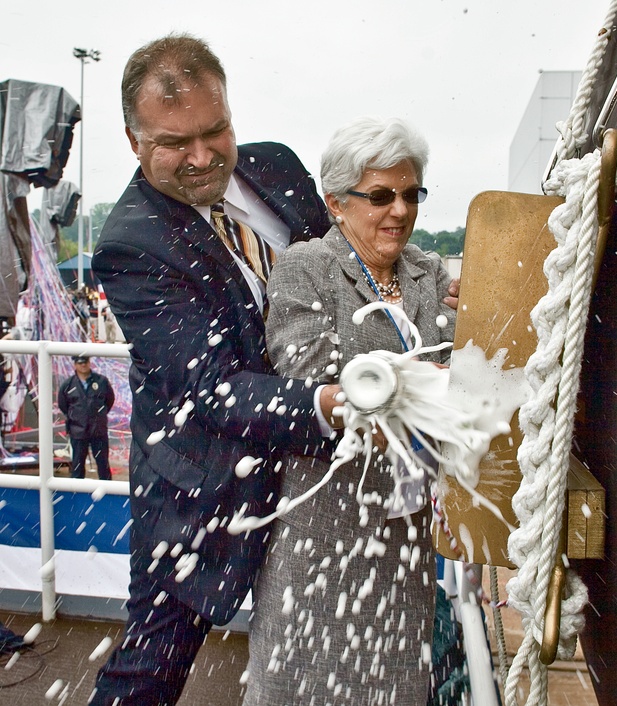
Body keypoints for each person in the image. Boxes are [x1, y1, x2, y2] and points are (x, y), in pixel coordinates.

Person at [89, 34, 342, 705]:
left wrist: (411, 286)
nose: (203, 158)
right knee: (148, 670)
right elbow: (212, 388)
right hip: (201, 488)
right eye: (176, 143)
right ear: (132, 139)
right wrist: (332, 407)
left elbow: (342, 269)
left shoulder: (278, 166)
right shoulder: (130, 244)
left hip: (314, 471)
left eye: (216, 130)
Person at [243, 116, 456, 704]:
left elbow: (465, 366)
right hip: (322, 538)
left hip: (405, 537)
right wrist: (426, 385)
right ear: (336, 202)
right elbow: (309, 375)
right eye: (381, 195)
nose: (400, 211)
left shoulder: (430, 271)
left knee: (396, 687)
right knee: (302, 684)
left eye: (412, 194)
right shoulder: (305, 267)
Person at [57, 355, 115, 480]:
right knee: (77, 466)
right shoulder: (68, 385)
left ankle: (108, 493)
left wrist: (99, 415)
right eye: (80, 363)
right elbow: (63, 405)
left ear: (89, 363)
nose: (83, 365)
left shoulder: (101, 381)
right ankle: (76, 494)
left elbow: (109, 400)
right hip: (78, 431)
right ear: (75, 365)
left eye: (85, 362)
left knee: (103, 464)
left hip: (98, 430)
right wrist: (77, 417)